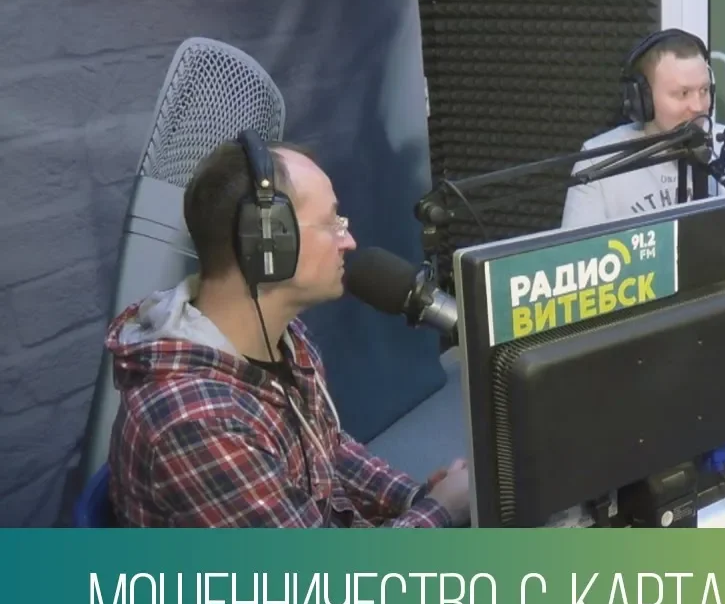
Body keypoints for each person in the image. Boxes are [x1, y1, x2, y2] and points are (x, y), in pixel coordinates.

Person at [104, 132, 470, 527]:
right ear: (268, 245)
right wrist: (443, 510)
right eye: (331, 223)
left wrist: (415, 498)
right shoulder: (197, 423)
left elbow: (326, 452)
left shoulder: (284, 336)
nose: (349, 241)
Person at [561, 28, 725, 228]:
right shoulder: (597, 162)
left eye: (704, 90)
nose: (698, 106)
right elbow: (579, 250)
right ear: (643, 100)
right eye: (683, 93)